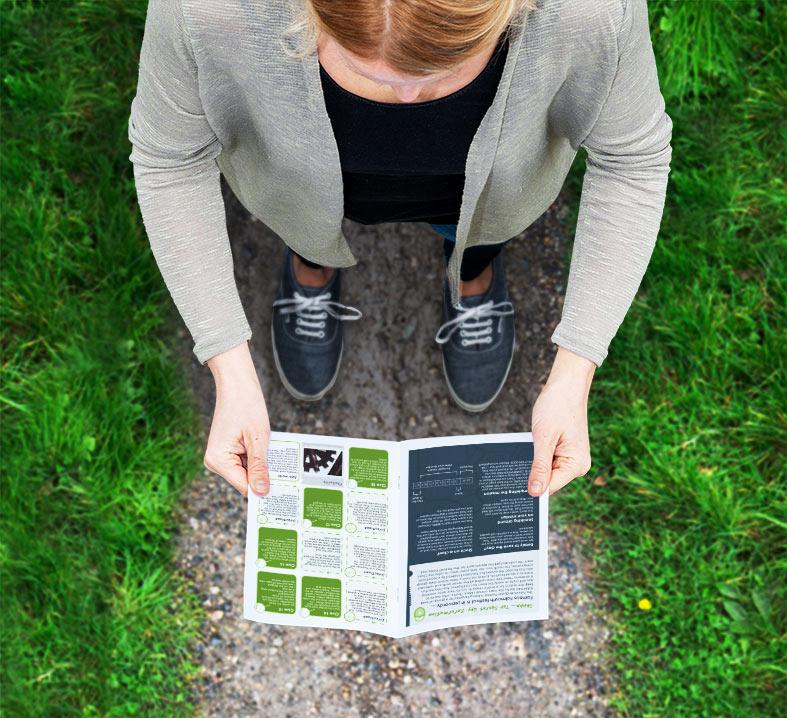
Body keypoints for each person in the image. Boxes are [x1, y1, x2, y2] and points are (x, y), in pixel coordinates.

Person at [128, 0, 672, 500]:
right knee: (301, 219)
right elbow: (169, 157)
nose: (407, 99)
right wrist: (228, 363)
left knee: (479, 230)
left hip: (479, 196)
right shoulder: (205, 10)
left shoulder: (590, 13)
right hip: (300, 186)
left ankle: (471, 274)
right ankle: (310, 261)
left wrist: (577, 369)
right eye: (364, 69)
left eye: (441, 75)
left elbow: (632, 159)